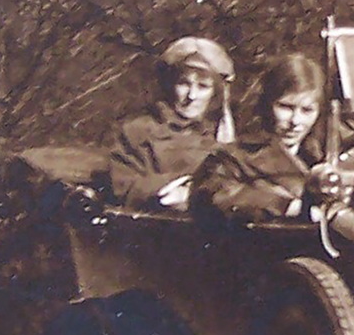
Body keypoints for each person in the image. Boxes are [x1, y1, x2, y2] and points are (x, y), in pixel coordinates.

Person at [193, 53, 329, 220]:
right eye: (286, 107)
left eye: (307, 110)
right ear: (266, 104)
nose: (295, 121)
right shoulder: (234, 157)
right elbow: (216, 192)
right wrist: (286, 206)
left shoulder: (323, 157)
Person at [108, 36, 235, 209]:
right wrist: (170, 189)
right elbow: (122, 185)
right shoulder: (137, 131)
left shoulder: (222, 137)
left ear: (215, 93)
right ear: (169, 85)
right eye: (184, 83)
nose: (192, 96)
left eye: (203, 86)